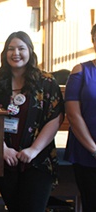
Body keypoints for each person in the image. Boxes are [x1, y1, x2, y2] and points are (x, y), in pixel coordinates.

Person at [0, 31, 64, 212]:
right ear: (5, 53)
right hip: (5, 158)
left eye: (21, 48)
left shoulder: (46, 82)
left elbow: (55, 116)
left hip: (38, 160)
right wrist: (2, 149)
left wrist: (33, 150)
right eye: (10, 49)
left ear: (30, 51)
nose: (16, 53)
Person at [64, 24, 96, 212]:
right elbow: (73, 115)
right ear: (93, 40)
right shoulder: (81, 71)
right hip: (87, 153)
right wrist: (94, 150)